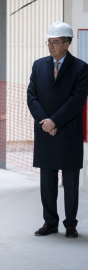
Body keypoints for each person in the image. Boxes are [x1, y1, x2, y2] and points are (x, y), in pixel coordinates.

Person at [27, 22, 88, 238]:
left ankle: (70, 224)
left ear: (67, 44)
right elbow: (32, 96)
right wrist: (45, 121)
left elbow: (77, 100)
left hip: (68, 132)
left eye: (55, 43)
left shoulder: (81, 68)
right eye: (49, 42)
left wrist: (55, 121)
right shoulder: (38, 65)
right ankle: (50, 222)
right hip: (46, 132)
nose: (50, 47)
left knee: (71, 183)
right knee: (47, 183)